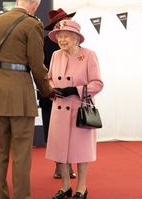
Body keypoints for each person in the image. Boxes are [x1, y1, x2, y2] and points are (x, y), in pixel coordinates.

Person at [0, 0, 55, 199]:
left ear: (17, 1)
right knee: (21, 155)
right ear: (35, 6)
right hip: (21, 97)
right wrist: (48, 91)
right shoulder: (33, 24)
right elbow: (37, 66)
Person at [45, 20, 104, 199]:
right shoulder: (55, 55)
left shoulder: (88, 55)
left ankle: (81, 188)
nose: (62, 40)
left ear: (76, 38)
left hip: (79, 110)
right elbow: (48, 78)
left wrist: (74, 90)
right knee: (59, 150)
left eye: (66, 37)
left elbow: (98, 84)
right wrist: (52, 89)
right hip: (59, 108)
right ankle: (65, 186)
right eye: (60, 37)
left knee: (81, 151)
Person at [41, 8, 76, 179]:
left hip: (71, 96)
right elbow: (40, 70)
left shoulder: (75, 42)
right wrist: (49, 89)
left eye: (69, 19)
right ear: (56, 25)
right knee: (53, 133)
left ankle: (69, 165)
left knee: (71, 133)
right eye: (65, 19)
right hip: (50, 95)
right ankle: (59, 166)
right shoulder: (44, 43)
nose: (68, 22)